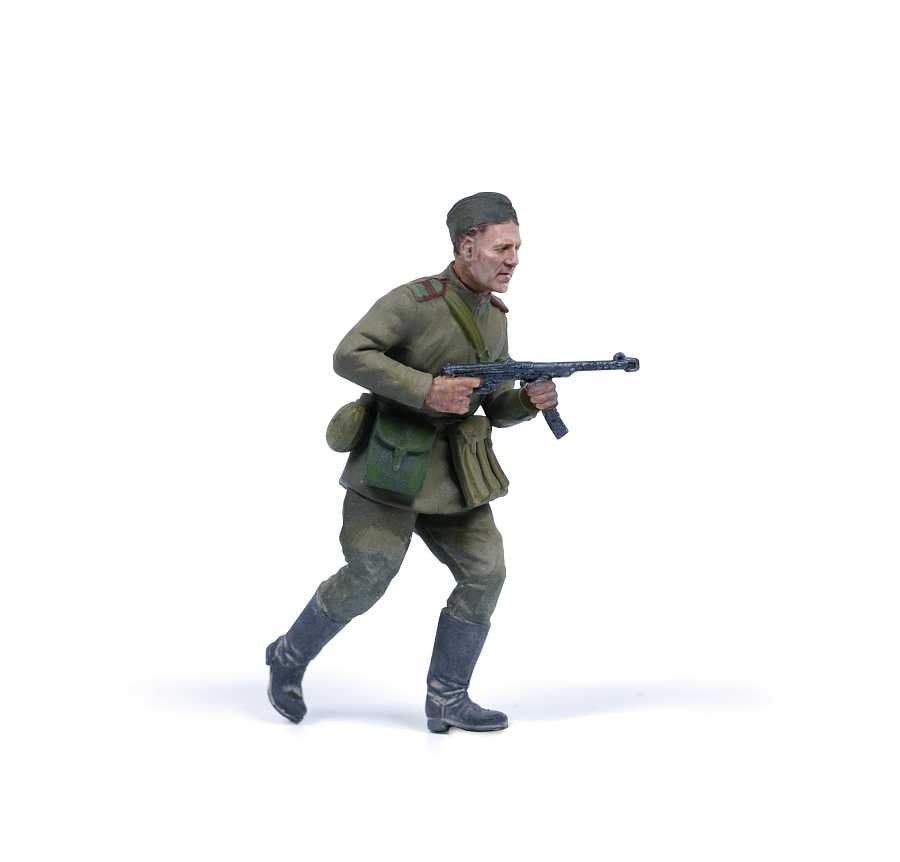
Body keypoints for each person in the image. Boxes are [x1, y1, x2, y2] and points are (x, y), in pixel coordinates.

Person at [266, 192, 558, 732]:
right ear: (467, 247)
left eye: (517, 248)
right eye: (503, 248)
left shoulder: (494, 318)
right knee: (368, 575)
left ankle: (447, 697)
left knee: (486, 573)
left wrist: (527, 402)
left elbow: (494, 406)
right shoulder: (414, 302)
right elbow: (349, 354)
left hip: (457, 478)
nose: (513, 259)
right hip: (390, 470)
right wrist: (426, 389)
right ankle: (288, 653)